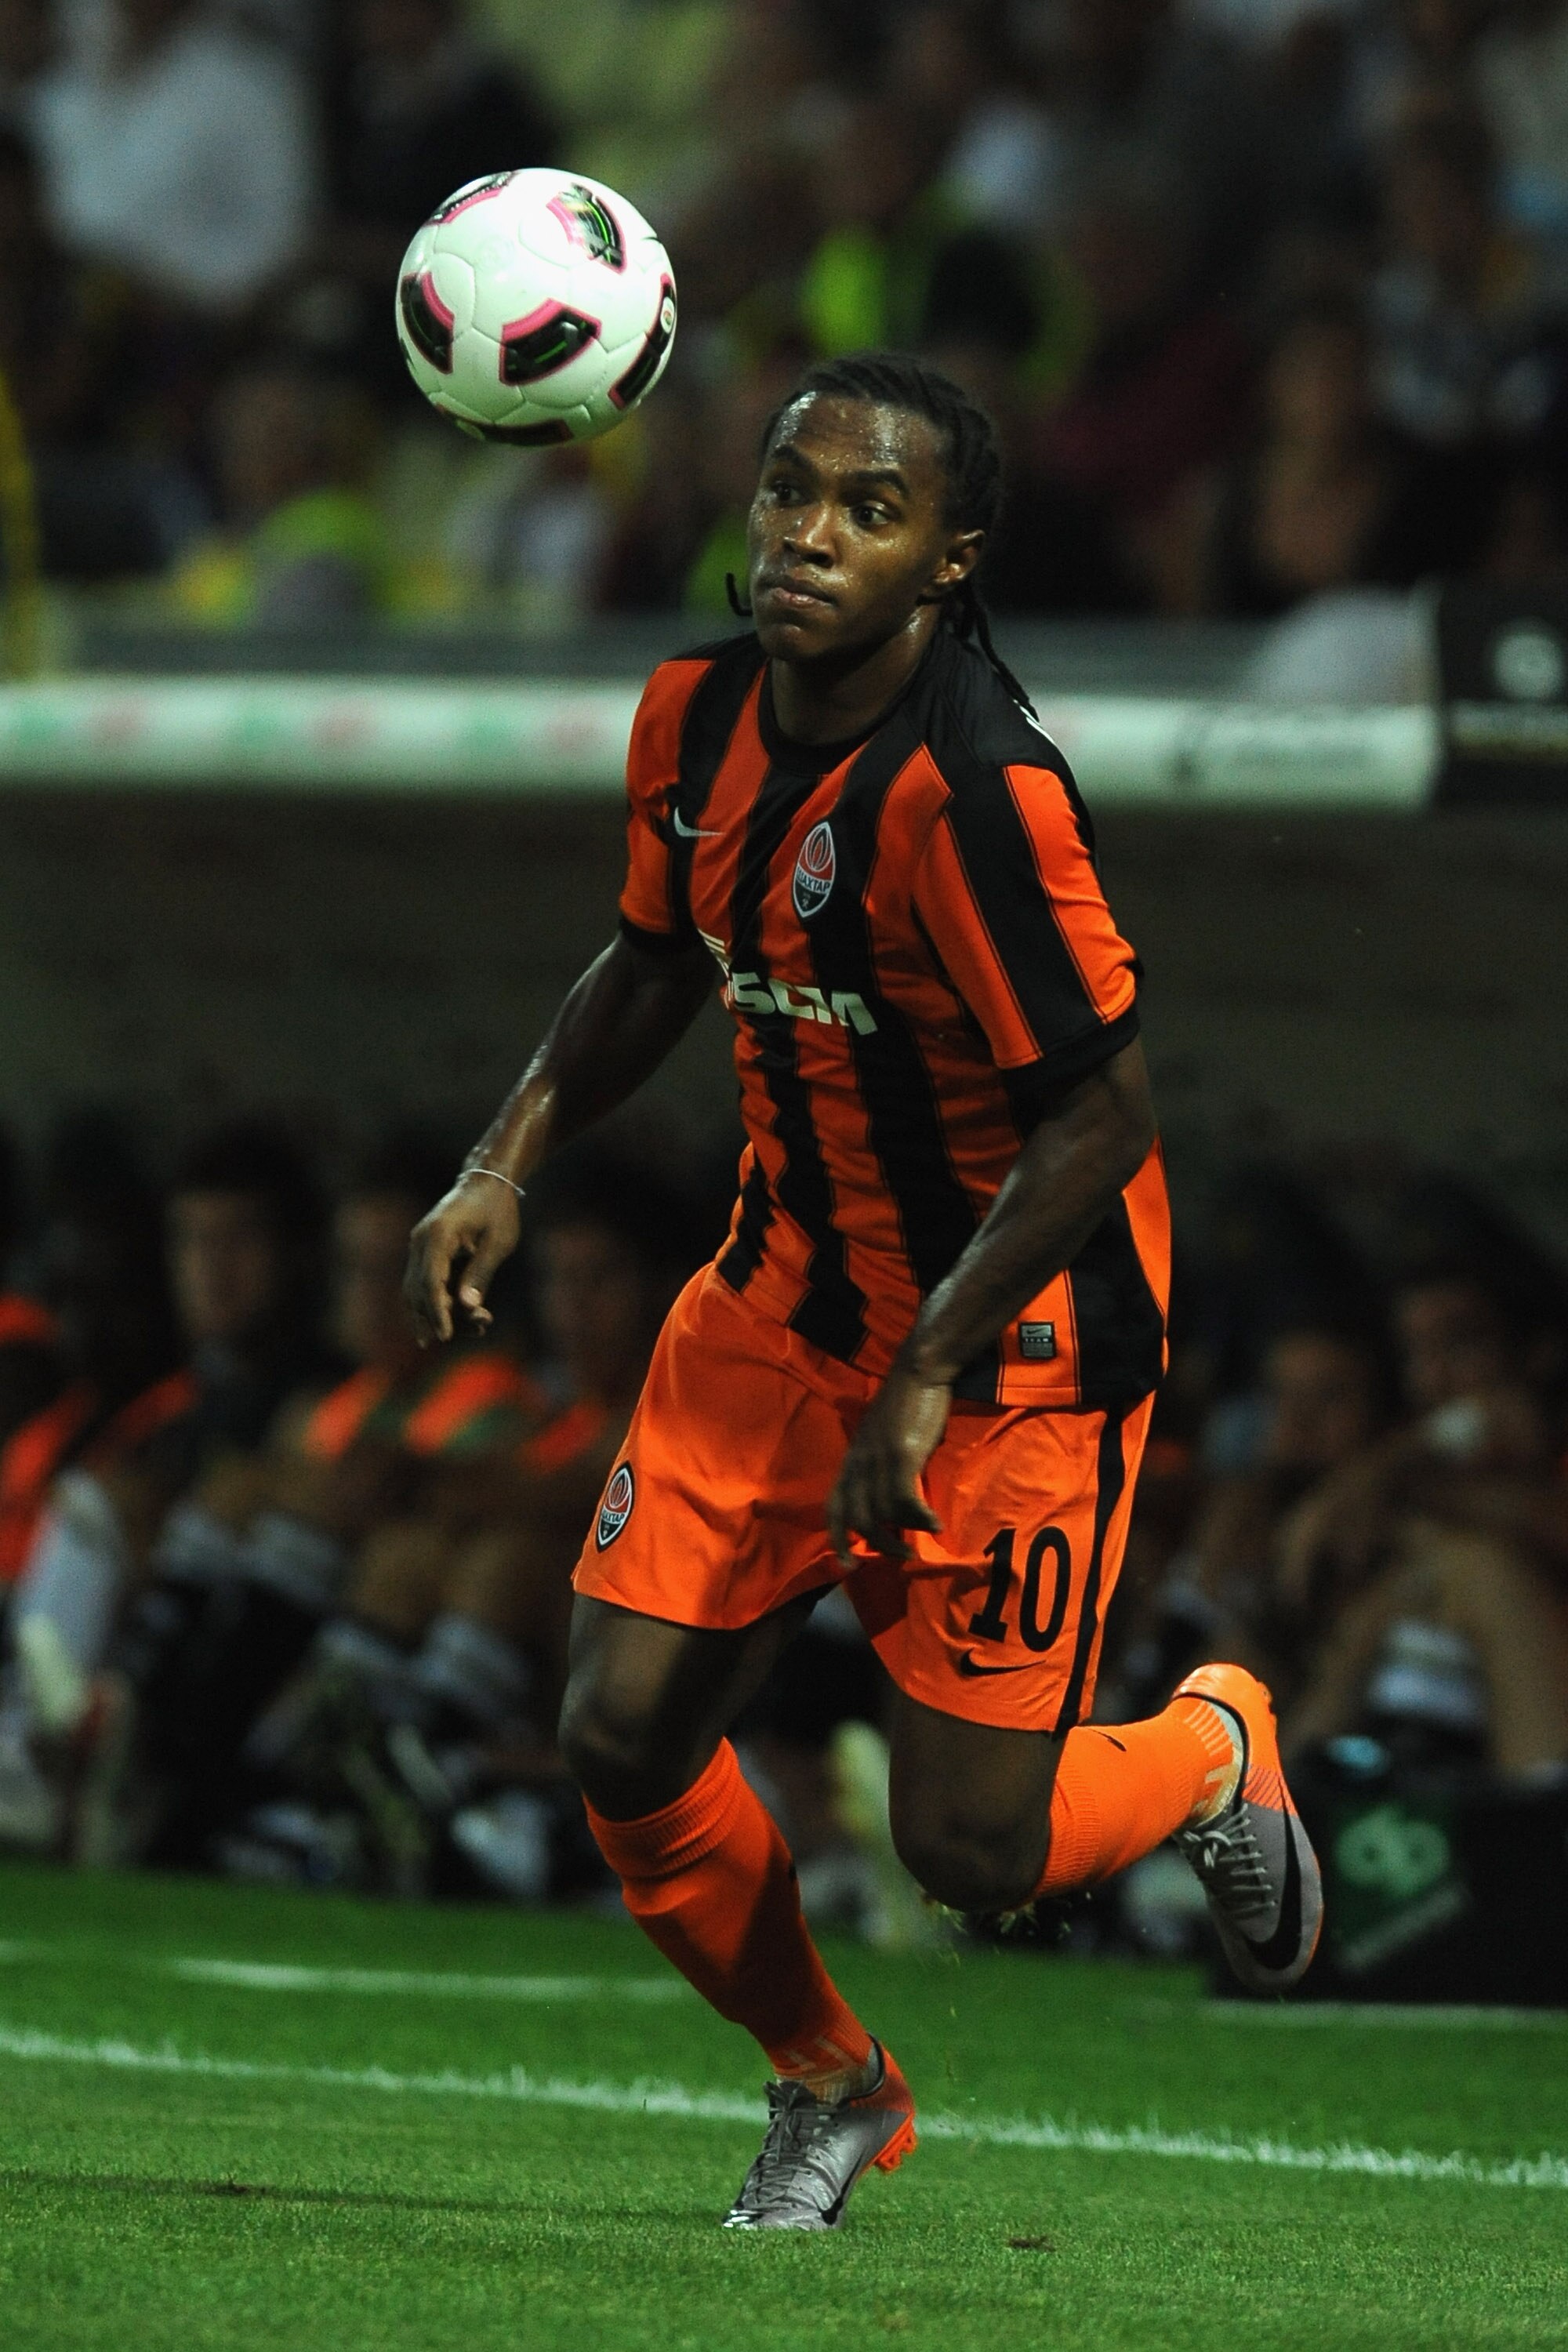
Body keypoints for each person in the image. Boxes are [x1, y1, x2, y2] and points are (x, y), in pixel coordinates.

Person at [405, 351, 1323, 2234]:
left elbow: (1098, 1124)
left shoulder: (979, 795)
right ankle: (829, 2081)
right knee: (619, 1730)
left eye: (868, 510)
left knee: (971, 1852)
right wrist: (505, 1154)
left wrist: (929, 1369)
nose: (810, 535)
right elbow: (652, 963)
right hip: (778, 1300)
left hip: (1016, 1341)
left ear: (949, 564)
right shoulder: (693, 714)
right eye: (788, 491)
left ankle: (1215, 1745)